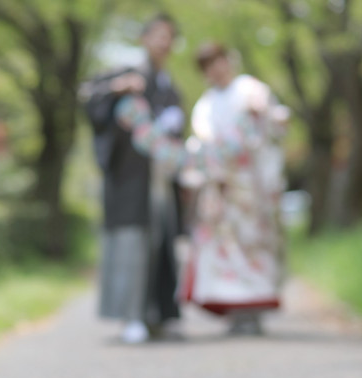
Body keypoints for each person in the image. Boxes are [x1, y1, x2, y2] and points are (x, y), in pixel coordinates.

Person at [114, 43, 289, 335]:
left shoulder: (251, 89)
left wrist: (266, 117)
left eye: (219, 61)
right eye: (209, 65)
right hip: (218, 183)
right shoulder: (205, 106)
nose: (216, 69)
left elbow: (272, 126)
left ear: (229, 60)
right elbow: (202, 146)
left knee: (251, 243)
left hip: (248, 184)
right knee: (225, 247)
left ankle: (253, 310)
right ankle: (234, 311)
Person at [80, 13, 185, 344]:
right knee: (131, 244)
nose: (162, 41)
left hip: (159, 179)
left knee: (158, 243)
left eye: (168, 36)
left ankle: (155, 313)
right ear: (144, 38)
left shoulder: (169, 86)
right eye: (157, 34)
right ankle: (131, 315)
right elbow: (87, 96)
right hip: (128, 179)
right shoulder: (125, 72)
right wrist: (116, 88)